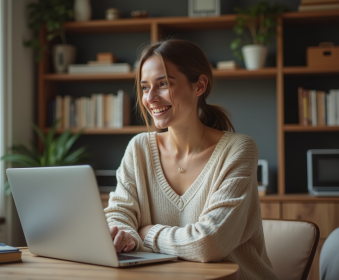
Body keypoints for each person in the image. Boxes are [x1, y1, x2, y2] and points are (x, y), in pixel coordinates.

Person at [104, 39, 278, 279]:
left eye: (163, 84)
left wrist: (148, 233)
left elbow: (208, 243)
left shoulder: (238, 150)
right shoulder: (139, 148)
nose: (150, 98)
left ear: (199, 86)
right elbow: (118, 215)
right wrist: (128, 236)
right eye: (145, 87)